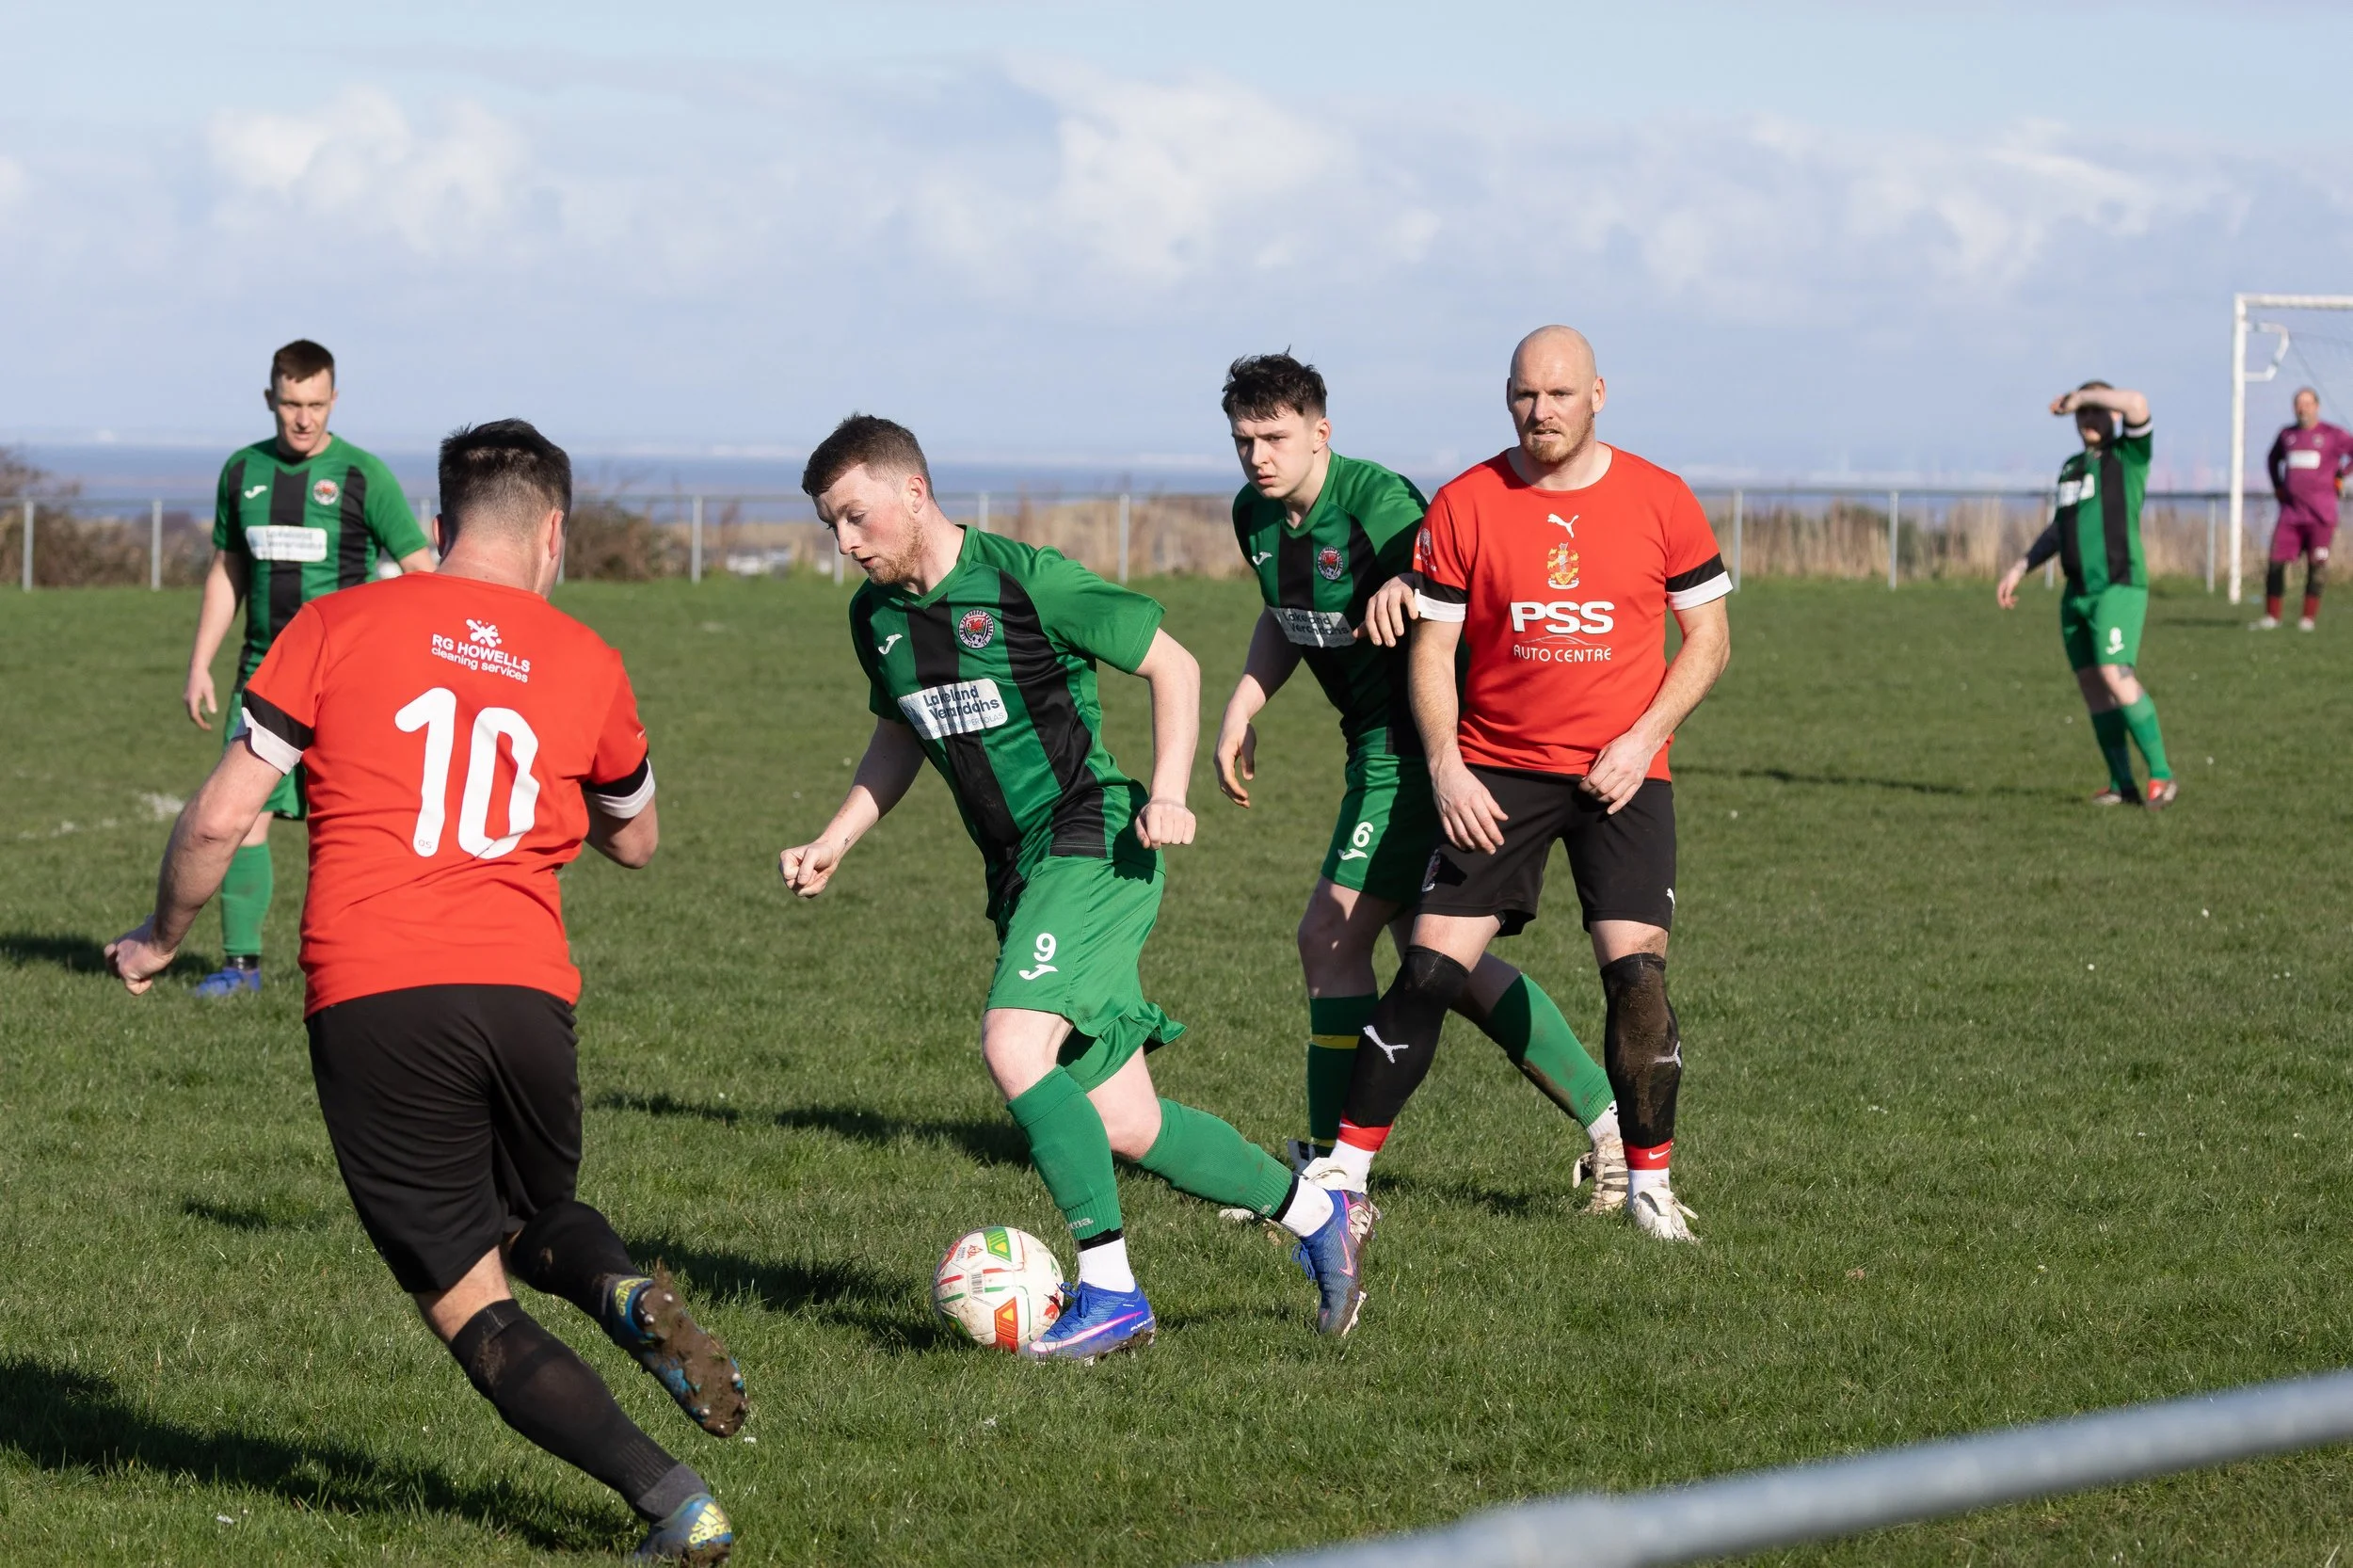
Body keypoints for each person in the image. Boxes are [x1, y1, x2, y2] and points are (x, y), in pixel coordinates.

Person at [110, 421, 743, 1564]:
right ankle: (621, 1288)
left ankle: (675, 1503)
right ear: (555, 534)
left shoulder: (334, 624)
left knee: (470, 1303)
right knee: (528, 1211)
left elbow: (216, 818)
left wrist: (161, 939)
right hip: (527, 998)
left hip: (379, 993)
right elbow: (639, 841)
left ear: (440, 526)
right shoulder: (587, 658)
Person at [778, 414, 1374, 1353]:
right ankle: (1315, 1217)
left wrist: (1170, 790)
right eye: (831, 527)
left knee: (1014, 1043)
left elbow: (1171, 662)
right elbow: (901, 729)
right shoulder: (877, 621)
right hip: (1019, 873)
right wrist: (837, 836)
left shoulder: (1026, 579)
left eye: (855, 518)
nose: (846, 544)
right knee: (1129, 1122)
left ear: (913, 494)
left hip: (1094, 838)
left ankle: (1111, 1292)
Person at [1321, 326, 1732, 1249]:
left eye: (1557, 394)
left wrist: (1641, 739)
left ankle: (1648, 1187)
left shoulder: (1660, 499)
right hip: (1496, 769)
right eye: (1522, 395)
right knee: (1427, 968)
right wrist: (1445, 763)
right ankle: (1343, 1179)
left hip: (1622, 774)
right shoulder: (1468, 502)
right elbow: (1429, 650)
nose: (1538, 412)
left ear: (1597, 395)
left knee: (1636, 977)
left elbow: (1708, 639)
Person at [1209, 352, 1627, 1211]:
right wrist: (1244, 703)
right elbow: (1284, 614)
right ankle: (1611, 1124)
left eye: (1276, 437)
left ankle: (1331, 1178)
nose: (1258, 456)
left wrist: (1408, 576)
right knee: (1445, 961)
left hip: (1418, 748)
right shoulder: (1254, 515)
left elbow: (1448, 562)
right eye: (1244, 439)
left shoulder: (1376, 501)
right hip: (1368, 745)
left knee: (1330, 939)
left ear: (1321, 433)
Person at [181, 339, 438, 998]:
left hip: (347, 686)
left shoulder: (362, 476)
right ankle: (241, 967)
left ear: (334, 400)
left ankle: (363, 965)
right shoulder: (242, 473)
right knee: (240, 818)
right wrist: (201, 662)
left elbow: (421, 574)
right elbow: (228, 569)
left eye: (316, 404)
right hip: (261, 676)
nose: (303, 419)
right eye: (291, 404)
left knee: (353, 827)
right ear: (271, 399)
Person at [1996, 382, 2177, 809]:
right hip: (2076, 594)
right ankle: (2121, 784)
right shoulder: (2071, 467)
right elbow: (2061, 528)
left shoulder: (2127, 457)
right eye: (2083, 413)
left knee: (2116, 673)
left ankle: (2163, 777)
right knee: (2093, 686)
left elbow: (2138, 403)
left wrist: (2080, 398)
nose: (2089, 419)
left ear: (2111, 415)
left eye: (2097, 410)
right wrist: (2021, 566)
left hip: (2118, 585)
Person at [2256, 386, 2353, 631]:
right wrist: (2278, 485)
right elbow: (2272, 459)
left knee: (2317, 565)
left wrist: (2342, 475)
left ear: (2317, 407)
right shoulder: (2287, 435)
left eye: (2308, 403)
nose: (2303, 408)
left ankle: (2307, 619)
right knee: (2275, 562)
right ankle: (2272, 617)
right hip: (2290, 514)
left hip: (2321, 514)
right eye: (2299, 403)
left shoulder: (2332, 434)